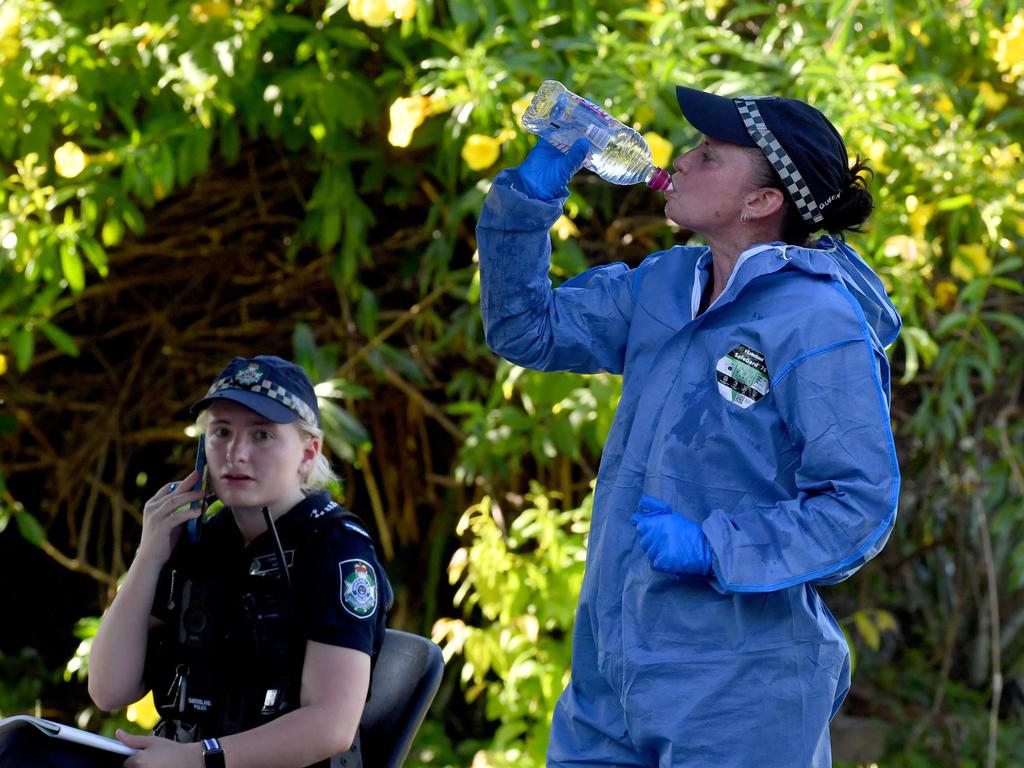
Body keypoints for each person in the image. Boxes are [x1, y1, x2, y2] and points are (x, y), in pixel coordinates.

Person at [476, 85, 901, 767]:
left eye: (708, 155)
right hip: (607, 682)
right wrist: (526, 202)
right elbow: (526, 330)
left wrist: (717, 547)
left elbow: (859, 507)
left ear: (762, 203)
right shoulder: (665, 284)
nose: (681, 159)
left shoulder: (818, 321)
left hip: (743, 697)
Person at [81, 355, 392, 768]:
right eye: (221, 432)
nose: (236, 453)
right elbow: (109, 689)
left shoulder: (337, 550)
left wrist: (199, 758)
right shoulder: (201, 540)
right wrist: (148, 555)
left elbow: (331, 725)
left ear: (307, 452)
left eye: (262, 435)